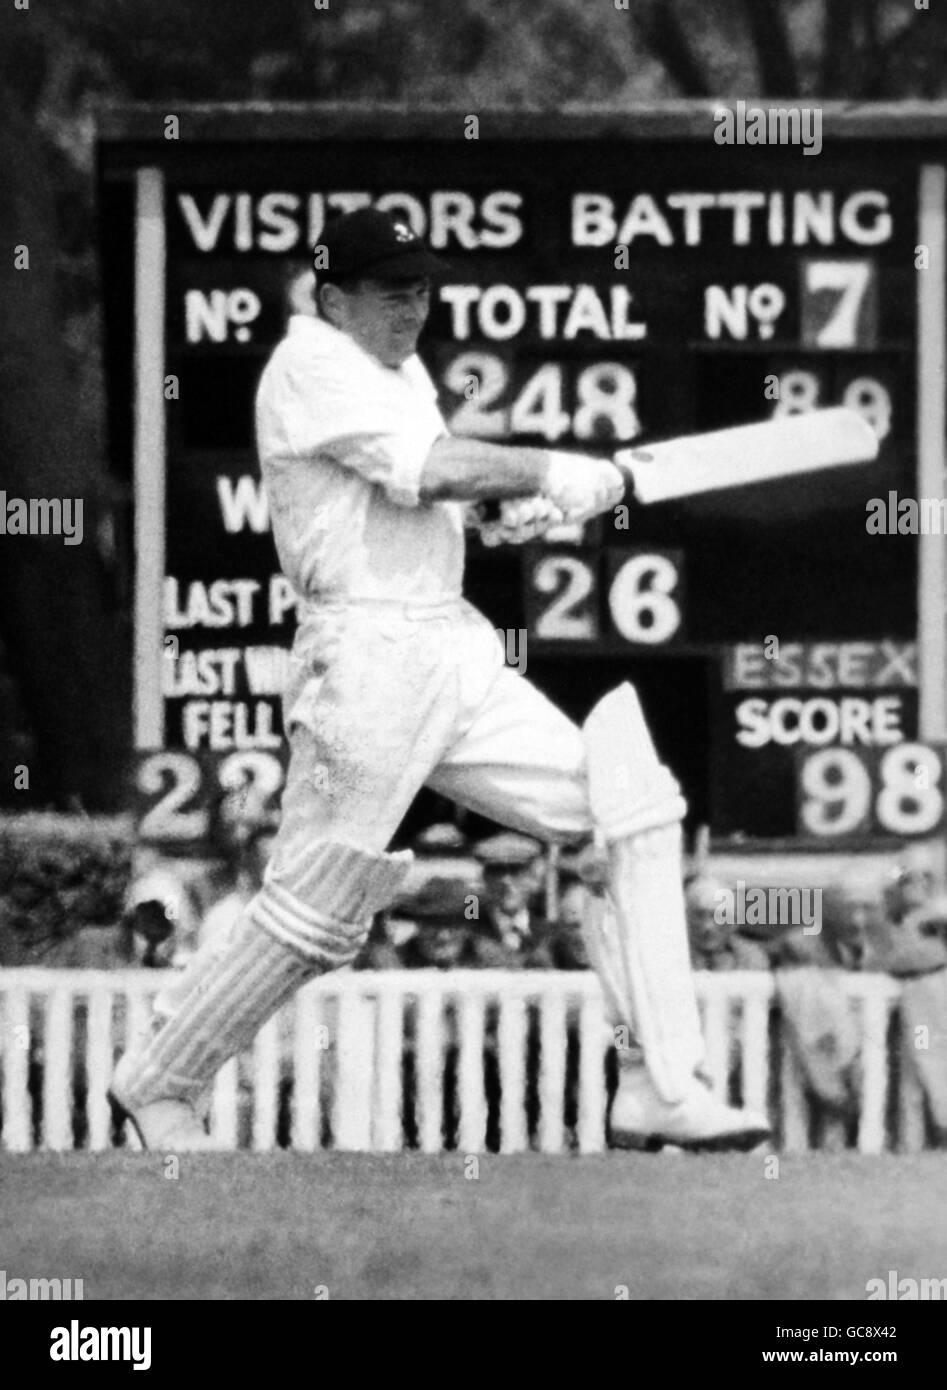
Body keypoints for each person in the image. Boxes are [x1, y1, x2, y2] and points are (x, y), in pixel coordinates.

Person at [110, 207, 769, 1153]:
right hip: (366, 657)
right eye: (390, 291)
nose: (411, 307)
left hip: (452, 647)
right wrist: (555, 467)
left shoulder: (396, 370)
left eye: (420, 288)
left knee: (633, 807)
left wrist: (512, 512)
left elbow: (420, 497)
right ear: (332, 297)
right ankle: (159, 1079)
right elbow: (424, 466)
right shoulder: (310, 362)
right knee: (314, 907)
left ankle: (660, 1080)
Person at [471, 832, 555, 969]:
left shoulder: (549, 935)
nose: (505, 881)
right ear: (485, 879)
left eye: (516, 871)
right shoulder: (472, 931)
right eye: (496, 871)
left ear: (533, 880)